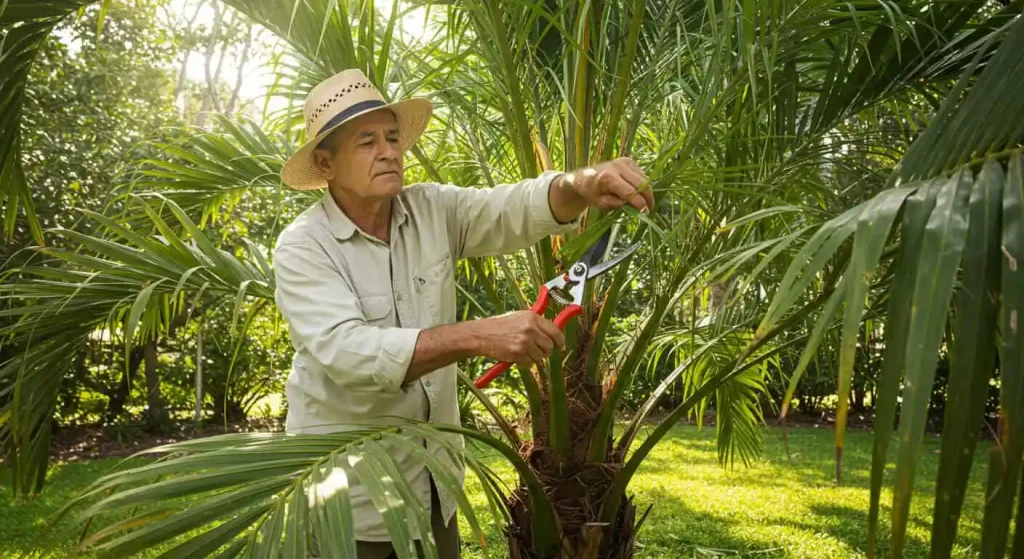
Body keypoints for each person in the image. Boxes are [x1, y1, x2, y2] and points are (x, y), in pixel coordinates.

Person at [273, 68, 654, 559]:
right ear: (325, 164)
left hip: (434, 491)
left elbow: (511, 209)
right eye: (367, 142)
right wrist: (477, 335)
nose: (389, 151)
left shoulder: (431, 209)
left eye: (393, 137)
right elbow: (347, 353)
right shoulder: (305, 247)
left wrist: (583, 183)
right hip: (349, 501)